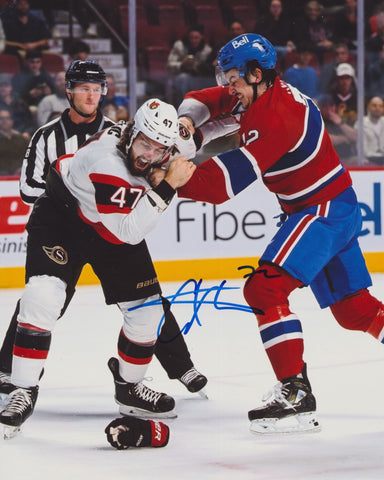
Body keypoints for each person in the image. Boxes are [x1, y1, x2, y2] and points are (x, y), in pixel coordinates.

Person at [155, 33, 384, 434]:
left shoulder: (275, 118)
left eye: (234, 80)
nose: (229, 88)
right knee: (355, 312)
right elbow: (203, 98)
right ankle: (295, 390)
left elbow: (218, 187)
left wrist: (163, 176)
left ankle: (294, 393)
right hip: (336, 205)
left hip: (321, 210)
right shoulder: (259, 90)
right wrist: (189, 121)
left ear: (256, 74)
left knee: (264, 289)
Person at [0, 60, 208, 412]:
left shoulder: (138, 136)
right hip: (65, 221)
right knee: (42, 297)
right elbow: (128, 229)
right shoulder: (101, 157)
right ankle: (20, 384)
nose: (149, 155)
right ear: (68, 91)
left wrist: (235, 115)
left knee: (148, 309)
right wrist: (166, 184)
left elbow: (194, 133)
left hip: (108, 224)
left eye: (160, 149)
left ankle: (137, 384)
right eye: (83, 88)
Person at [166, 24, 215, 105]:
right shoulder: (179, 46)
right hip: (178, 76)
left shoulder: (207, 50)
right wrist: (181, 64)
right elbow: (169, 65)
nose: (193, 40)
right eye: (191, 38)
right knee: (182, 79)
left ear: (202, 37)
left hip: (198, 78)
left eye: (196, 38)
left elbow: (207, 70)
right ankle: (182, 106)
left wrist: (196, 66)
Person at [317, 93, 358, 165]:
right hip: (329, 161)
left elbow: (356, 137)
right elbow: (326, 139)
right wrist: (344, 138)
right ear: (320, 108)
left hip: (349, 158)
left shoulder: (341, 120)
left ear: (335, 106)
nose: (329, 109)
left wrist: (340, 123)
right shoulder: (318, 121)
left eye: (331, 105)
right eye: (325, 106)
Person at [0, 106, 29, 175]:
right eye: (1, 118)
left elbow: (28, 157)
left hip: (21, 174)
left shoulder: (21, 139)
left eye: (7, 118)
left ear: (12, 121)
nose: (5, 121)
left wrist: (21, 169)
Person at [328, 62, 357, 127]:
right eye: (342, 78)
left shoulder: (358, 97)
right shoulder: (330, 96)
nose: (344, 81)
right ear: (337, 79)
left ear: (352, 79)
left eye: (347, 78)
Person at [359, 95, 384, 165]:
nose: (377, 108)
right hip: (368, 160)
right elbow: (363, 150)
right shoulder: (361, 123)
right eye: (374, 105)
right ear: (368, 108)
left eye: (380, 106)